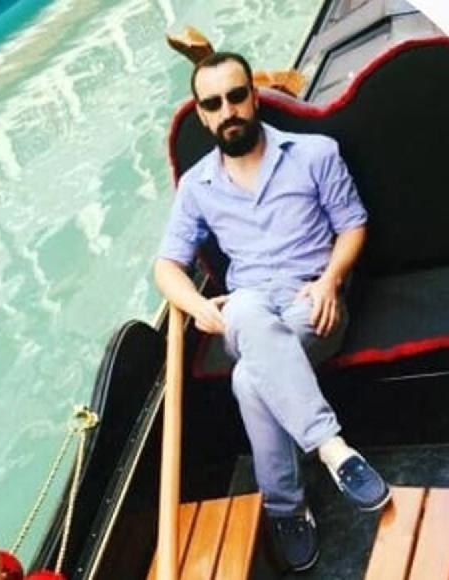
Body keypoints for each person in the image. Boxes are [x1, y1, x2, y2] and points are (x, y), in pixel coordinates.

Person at [154, 51, 390, 573]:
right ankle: (332, 448)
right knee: (245, 308)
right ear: (202, 115)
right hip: (246, 311)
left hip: (312, 305)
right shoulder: (197, 185)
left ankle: (285, 508)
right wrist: (198, 306)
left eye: (236, 96)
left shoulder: (315, 153)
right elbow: (165, 267)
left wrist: (330, 280)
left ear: (254, 98)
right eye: (213, 104)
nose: (228, 111)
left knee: (248, 380)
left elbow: (353, 224)